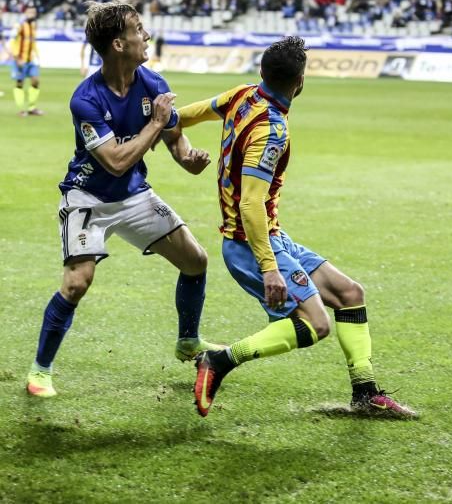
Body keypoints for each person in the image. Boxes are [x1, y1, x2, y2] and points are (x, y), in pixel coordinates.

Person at [177, 36, 416, 418]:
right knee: (314, 324)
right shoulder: (271, 129)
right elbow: (250, 202)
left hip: (270, 235)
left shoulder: (242, 95)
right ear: (300, 81)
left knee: (349, 293)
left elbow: (184, 116)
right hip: (250, 244)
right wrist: (269, 267)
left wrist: (161, 127)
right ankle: (218, 361)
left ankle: (366, 393)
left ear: (261, 72)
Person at [26, 0, 222, 398]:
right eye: (138, 30)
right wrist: (154, 122)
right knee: (78, 282)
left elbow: (173, 135)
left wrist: (187, 158)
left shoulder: (153, 83)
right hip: (88, 196)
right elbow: (115, 161)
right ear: (118, 44)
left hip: (133, 194)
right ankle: (40, 371)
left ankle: (188, 341)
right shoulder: (86, 100)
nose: (146, 35)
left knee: (195, 259)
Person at [9, 4, 44, 116]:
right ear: (25, 13)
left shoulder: (33, 26)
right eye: (30, 12)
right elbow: (12, 41)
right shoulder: (19, 26)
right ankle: (21, 109)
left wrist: (38, 57)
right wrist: (16, 58)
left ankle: (31, 108)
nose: (32, 14)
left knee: (35, 81)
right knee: (20, 83)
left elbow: (33, 43)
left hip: (31, 60)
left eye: (33, 12)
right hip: (20, 59)